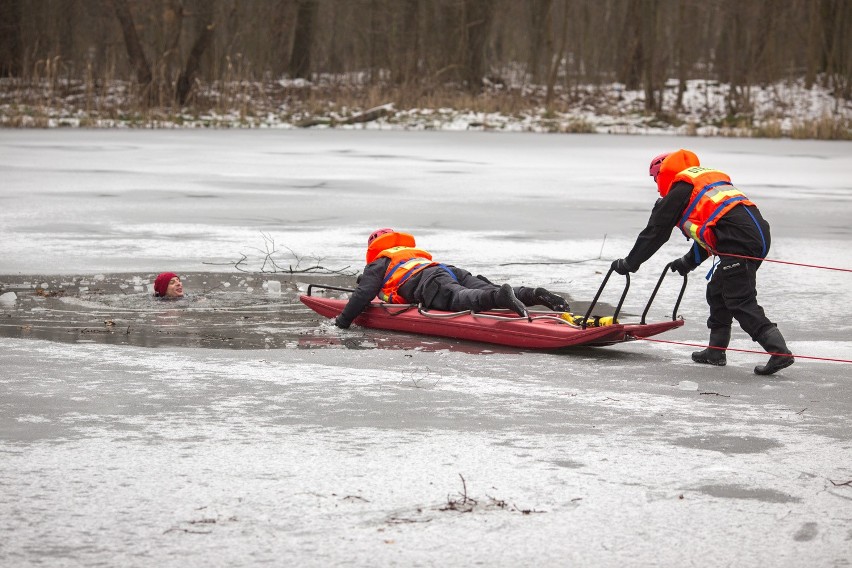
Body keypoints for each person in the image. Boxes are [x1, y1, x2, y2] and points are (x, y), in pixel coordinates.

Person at [610, 149, 794, 375]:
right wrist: (687, 262)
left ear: (663, 173)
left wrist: (629, 263)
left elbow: (655, 233)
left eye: (656, 179)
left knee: (739, 300)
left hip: (739, 242)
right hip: (753, 235)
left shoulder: (680, 190)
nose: (657, 184)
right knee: (717, 291)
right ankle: (716, 352)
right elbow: (712, 229)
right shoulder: (699, 183)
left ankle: (779, 352)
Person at [333, 228, 569, 329]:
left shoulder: (379, 262)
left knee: (461, 298)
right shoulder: (410, 253)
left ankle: (499, 296)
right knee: (484, 288)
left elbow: (363, 294)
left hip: (427, 281)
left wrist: (342, 322)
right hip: (448, 270)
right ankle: (531, 294)